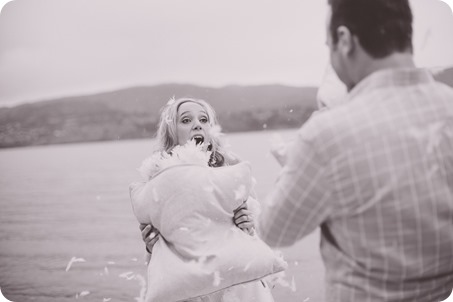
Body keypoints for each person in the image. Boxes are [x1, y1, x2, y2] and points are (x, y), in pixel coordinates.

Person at [258, 0, 453, 301]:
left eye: (329, 45)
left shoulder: (327, 134)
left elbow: (274, 231)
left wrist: (293, 163)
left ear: (345, 40)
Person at [135, 97, 280, 302]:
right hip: (192, 287)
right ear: (172, 131)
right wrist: (151, 246)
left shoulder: (231, 168)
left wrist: (249, 224)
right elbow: (161, 255)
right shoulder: (158, 180)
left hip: (238, 286)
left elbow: (261, 232)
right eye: (186, 120)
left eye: (204, 120)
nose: (197, 125)